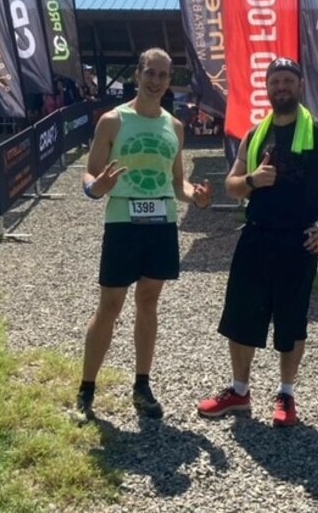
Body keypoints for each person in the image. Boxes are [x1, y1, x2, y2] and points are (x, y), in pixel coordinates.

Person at [197, 57, 318, 427]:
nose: (281, 88)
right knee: (240, 318)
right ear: (267, 88)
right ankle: (239, 391)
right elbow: (231, 185)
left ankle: (286, 395)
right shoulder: (256, 134)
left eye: (288, 81)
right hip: (255, 236)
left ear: (300, 86)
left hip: (298, 241)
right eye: (275, 82)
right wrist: (254, 180)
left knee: (290, 322)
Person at [76, 47, 213, 421]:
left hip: (161, 225)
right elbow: (90, 175)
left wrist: (195, 196)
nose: (156, 81)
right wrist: (97, 187)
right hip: (123, 223)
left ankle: (141, 384)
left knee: (149, 302)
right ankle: (87, 388)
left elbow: (176, 181)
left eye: (164, 75)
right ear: (138, 75)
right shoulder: (112, 121)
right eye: (150, 73)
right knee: (111, 306)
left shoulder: (175, 126)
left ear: (170, 81)